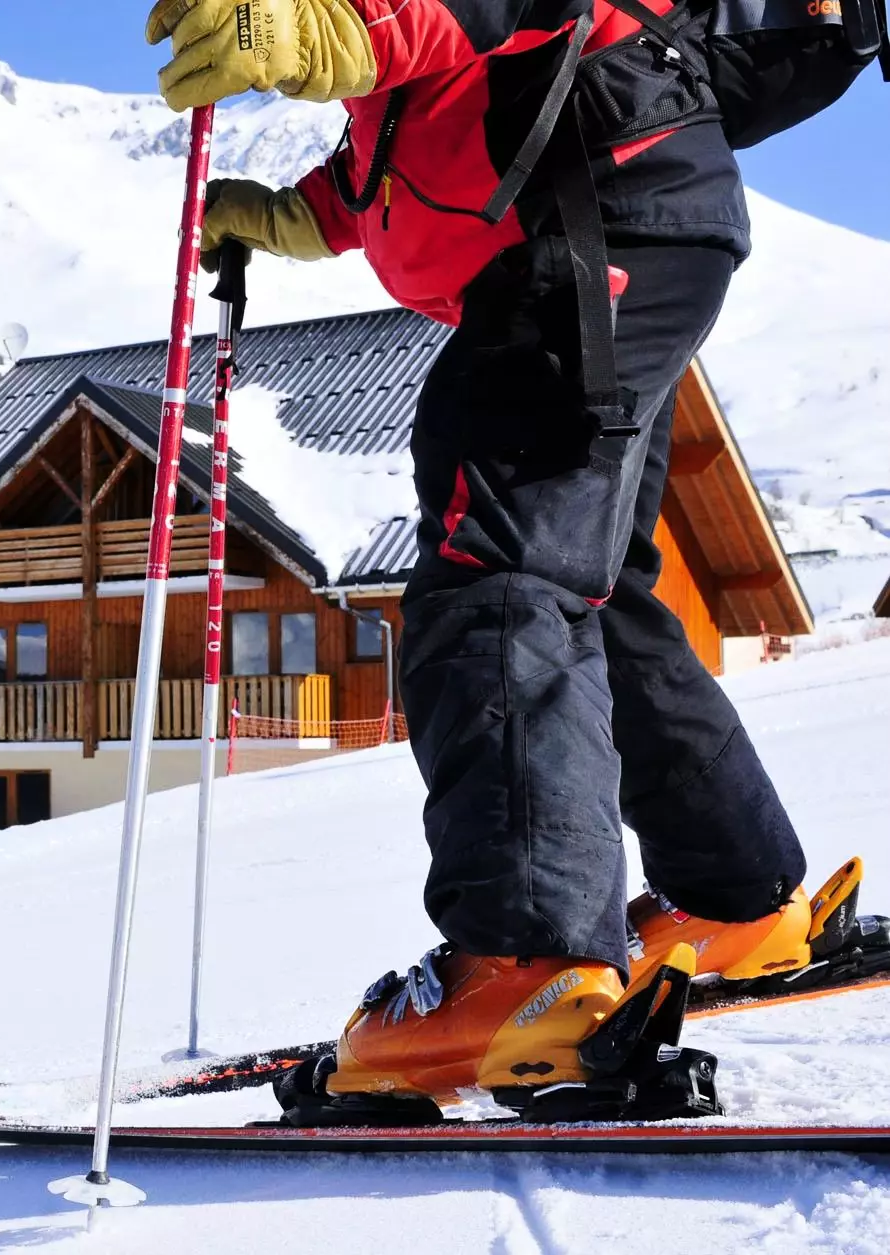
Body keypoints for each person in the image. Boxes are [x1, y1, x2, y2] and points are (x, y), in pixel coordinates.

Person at [142, 0, 868, 1119]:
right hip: (623, 226)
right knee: (587, 585)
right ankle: (732, 899)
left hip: (591, 228)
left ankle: (524, 966)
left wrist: (333, 31)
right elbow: (441, 114)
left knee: (495, 569)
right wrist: (299, 215)